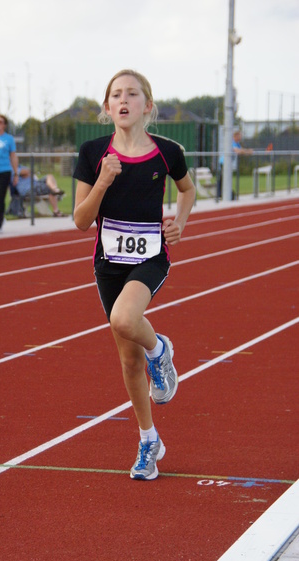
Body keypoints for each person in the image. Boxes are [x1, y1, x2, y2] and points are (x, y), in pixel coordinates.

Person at [73, 70, 195, 481]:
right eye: (115, 95)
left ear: (148, 105)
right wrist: (104, 180)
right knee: (127, 360)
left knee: (125, 319)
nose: (123, 100)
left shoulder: (167, 152)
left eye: (132, 94)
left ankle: (160, 350)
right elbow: (80, 220)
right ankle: (149, 441)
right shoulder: (92, 153)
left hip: (151, 257)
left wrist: (179, 221)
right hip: (108, 262)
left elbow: (187, 189)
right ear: (107, 108)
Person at [217, 129, 253, 199]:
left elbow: (241, 150)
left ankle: (223, 193)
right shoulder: (232, 142)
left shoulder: (237, 143)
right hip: (224, 163)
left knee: (225, 179)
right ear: (236, 136)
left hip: (228, 164)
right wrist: (247, 151)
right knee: (222, 178)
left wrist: (249, 151)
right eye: (240, 136)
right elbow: (237, 151)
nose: (241, 137)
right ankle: (219, 194)